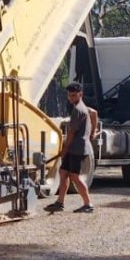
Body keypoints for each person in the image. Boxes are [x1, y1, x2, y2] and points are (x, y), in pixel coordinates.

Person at [46, 82, 95, 214]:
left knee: (74, 176)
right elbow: (95, 113)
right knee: (63, 173)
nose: (70, 98)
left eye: (73, 95)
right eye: (69, 95)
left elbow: (72, 134)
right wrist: (93, 132)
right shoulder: (80, 108)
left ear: (80, 94)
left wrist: (64, 150)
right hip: (74, 147)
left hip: (78, 148)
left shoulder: (79, 110)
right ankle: (60, 203)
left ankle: (88, 204)